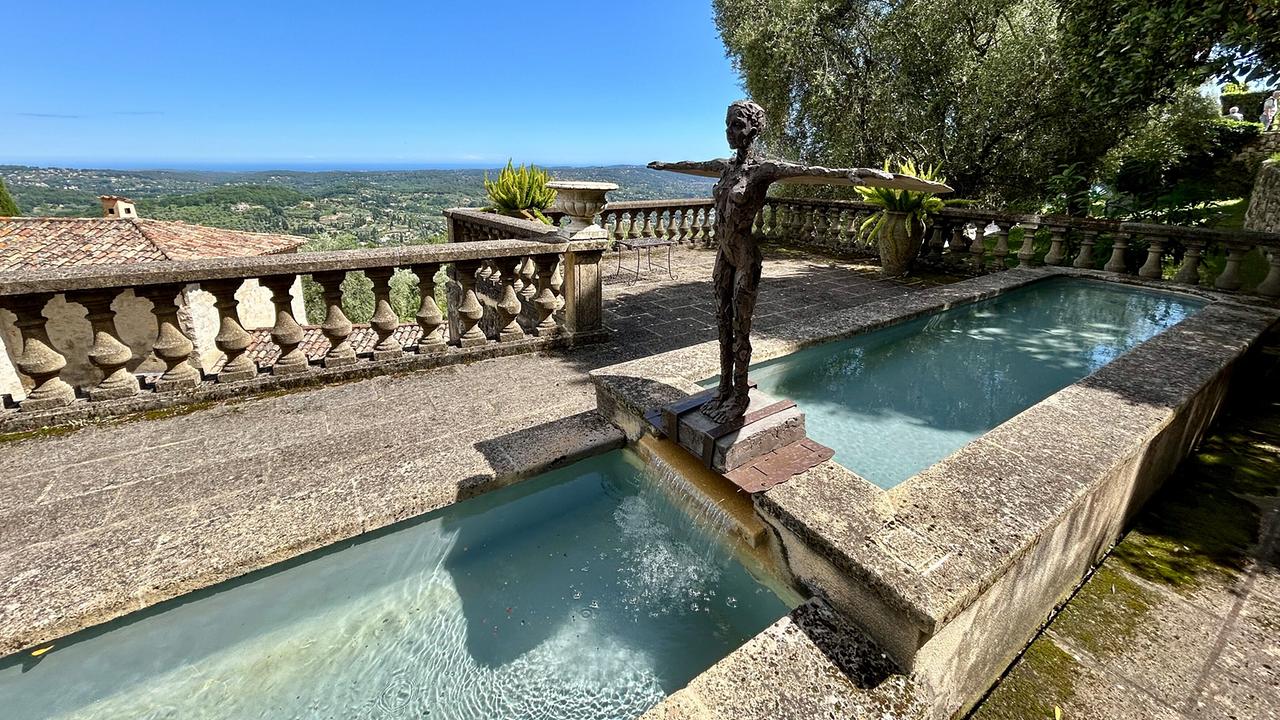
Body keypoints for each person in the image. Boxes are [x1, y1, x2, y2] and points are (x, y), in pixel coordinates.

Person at [649, 100, 948, 421]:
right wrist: (665, 165)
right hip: (724, 254)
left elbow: (821, 173)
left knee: (740, 325)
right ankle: (722, 388)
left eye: (736, 125)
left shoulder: (764, 170)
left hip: (746, 256)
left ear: (754, 129)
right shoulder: (725, 167)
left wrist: (872, 176)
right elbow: (694, 164)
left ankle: (738, 395)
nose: (729, 132)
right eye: (727, 125)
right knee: (722, 322)